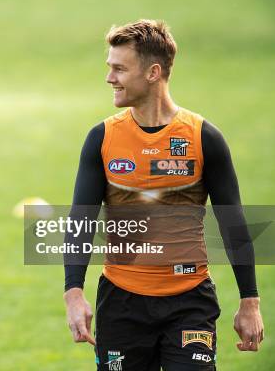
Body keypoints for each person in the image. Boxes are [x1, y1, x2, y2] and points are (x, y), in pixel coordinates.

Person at [62, 20, 264, 370]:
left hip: (190, 302)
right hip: (121, 303)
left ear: (153, 72)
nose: (110, 78)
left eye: (119, 68)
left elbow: (233, 223)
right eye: (110, 67)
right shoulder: (102, 139)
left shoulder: (203, 138)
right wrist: (73, 293)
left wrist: (250, 302)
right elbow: (81, 220)